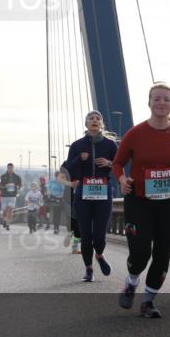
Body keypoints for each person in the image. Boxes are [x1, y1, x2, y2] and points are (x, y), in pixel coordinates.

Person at [114, 84, 170, 317]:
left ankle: (148, 301)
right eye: (157, 99)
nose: (162, 103)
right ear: (149, 102)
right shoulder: (135, 133)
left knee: (164, 252)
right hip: (139, 200)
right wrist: (121, 179)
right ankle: (131, 282)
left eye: (166, 100)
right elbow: (117, 163)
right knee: (140, 252)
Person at [66, 111, 118, 282]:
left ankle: (100, 255)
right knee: (86, 235)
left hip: (104, 193)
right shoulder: (76, 145)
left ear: (101, 124)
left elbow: (119, 167)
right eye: (91, 118)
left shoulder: (110, 145)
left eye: (98, 119)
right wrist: (80, 160)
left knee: (100, 235)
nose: (94, 121)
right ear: (86, 124)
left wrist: (109, 163)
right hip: (83, 193)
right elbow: (69, 171)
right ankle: (89, 269)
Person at [58, 161, 81, 254]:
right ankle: (75, 246)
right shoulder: (66, 163)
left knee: (81, 222)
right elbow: (60, 179)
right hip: (69, 197)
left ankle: (71, 232)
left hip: (85, 196)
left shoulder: (89, 160)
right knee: (76, 221)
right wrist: (71, 184)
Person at [0, 163, 22, 230]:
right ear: (7, 168)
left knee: (10, 209)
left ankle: (8, 223)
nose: (10, 169)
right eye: (9, 168)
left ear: (13, 168)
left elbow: (20, 186)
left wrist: (18, 187)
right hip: (4, 196)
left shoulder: (17, 177)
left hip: (13, 196)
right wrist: (4, 186)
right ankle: (4, 220)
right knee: (5, 210)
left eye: (11, 168)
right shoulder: (3, 176)